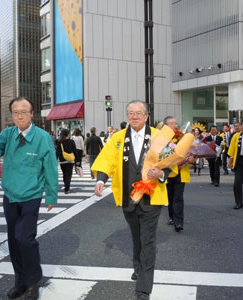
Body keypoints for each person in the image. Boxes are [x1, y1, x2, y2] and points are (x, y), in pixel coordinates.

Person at [0, 97, 58, 300]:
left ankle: (33, 282)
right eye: (15, 112)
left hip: (31, 196)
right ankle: (20, 282)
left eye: (24, 111)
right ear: (12, 115)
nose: (20, 115)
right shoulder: (8, 134)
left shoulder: (42, 137)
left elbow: (50, 167)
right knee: (14, 241)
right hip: (10, 195)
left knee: (25, 238)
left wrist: (51, 195)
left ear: (32, 114)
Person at [92, 100, 172, 300]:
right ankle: (138, 265)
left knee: (148, 240)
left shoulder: (159, 136)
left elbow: (172, 162)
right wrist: (101, 180)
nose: (134, 116)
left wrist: (161, 172)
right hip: (128, 197)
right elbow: (106, 160)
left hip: (152, 197)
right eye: (131, 113)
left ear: (146, 116)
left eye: (138, 113)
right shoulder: (118, 138)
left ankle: (143, 288)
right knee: (136, 237)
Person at [163, 116, 194, 232]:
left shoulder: (183, 138)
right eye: (171, 123)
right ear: (166, 126)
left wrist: (191, 159)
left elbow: (191, 154)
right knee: (170, 197)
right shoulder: (161, 139)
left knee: (178, 197)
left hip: (181, 171)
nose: (175, 125)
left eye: (175, 123)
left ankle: (178, 222)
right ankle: (172, 217)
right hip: (167, 172)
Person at [56, 129, 76, 193]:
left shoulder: (59, 142)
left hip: (62, 160)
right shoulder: (71, 141)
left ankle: (66, 186)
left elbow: (57, 151)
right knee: (68, 175)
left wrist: (55, 159)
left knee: (64, 174)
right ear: (68, 134)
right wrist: (78, 160)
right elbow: (75, 151)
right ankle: (67, 188)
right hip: (70, 160)